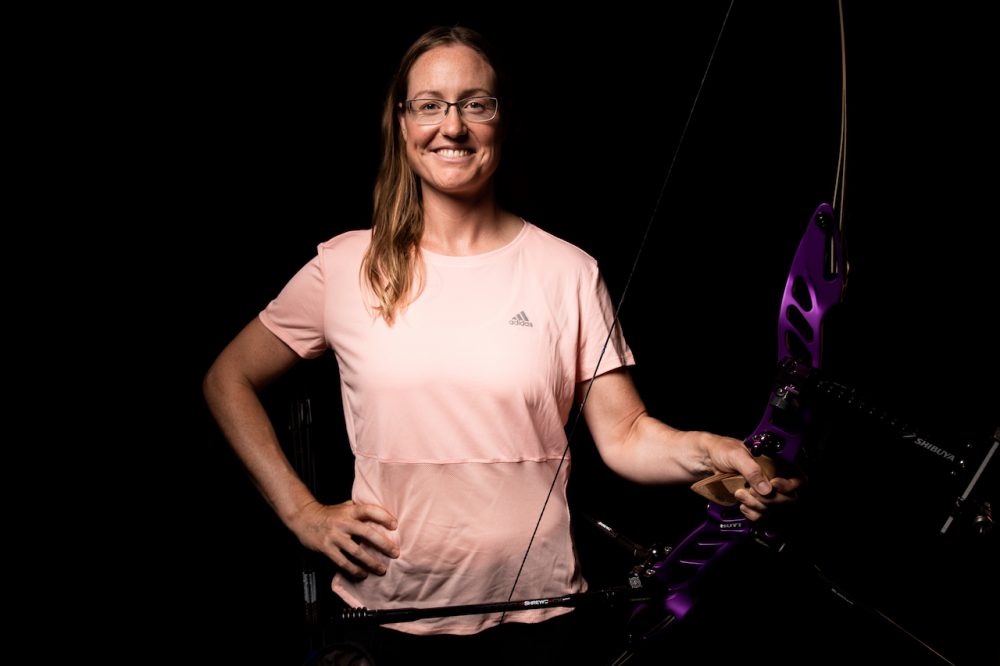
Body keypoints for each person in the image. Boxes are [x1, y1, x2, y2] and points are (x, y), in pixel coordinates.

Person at [202, 25, 801, 665]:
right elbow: (227, 379)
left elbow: (625, 435)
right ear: (401, 123)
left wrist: (715, 453)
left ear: (500, 119)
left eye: (474, 104)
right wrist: (302, 513)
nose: (451, 126)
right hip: (386, 620)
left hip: (542, 623)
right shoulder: (346, 264)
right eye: (429, 105)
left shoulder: (568, 270)